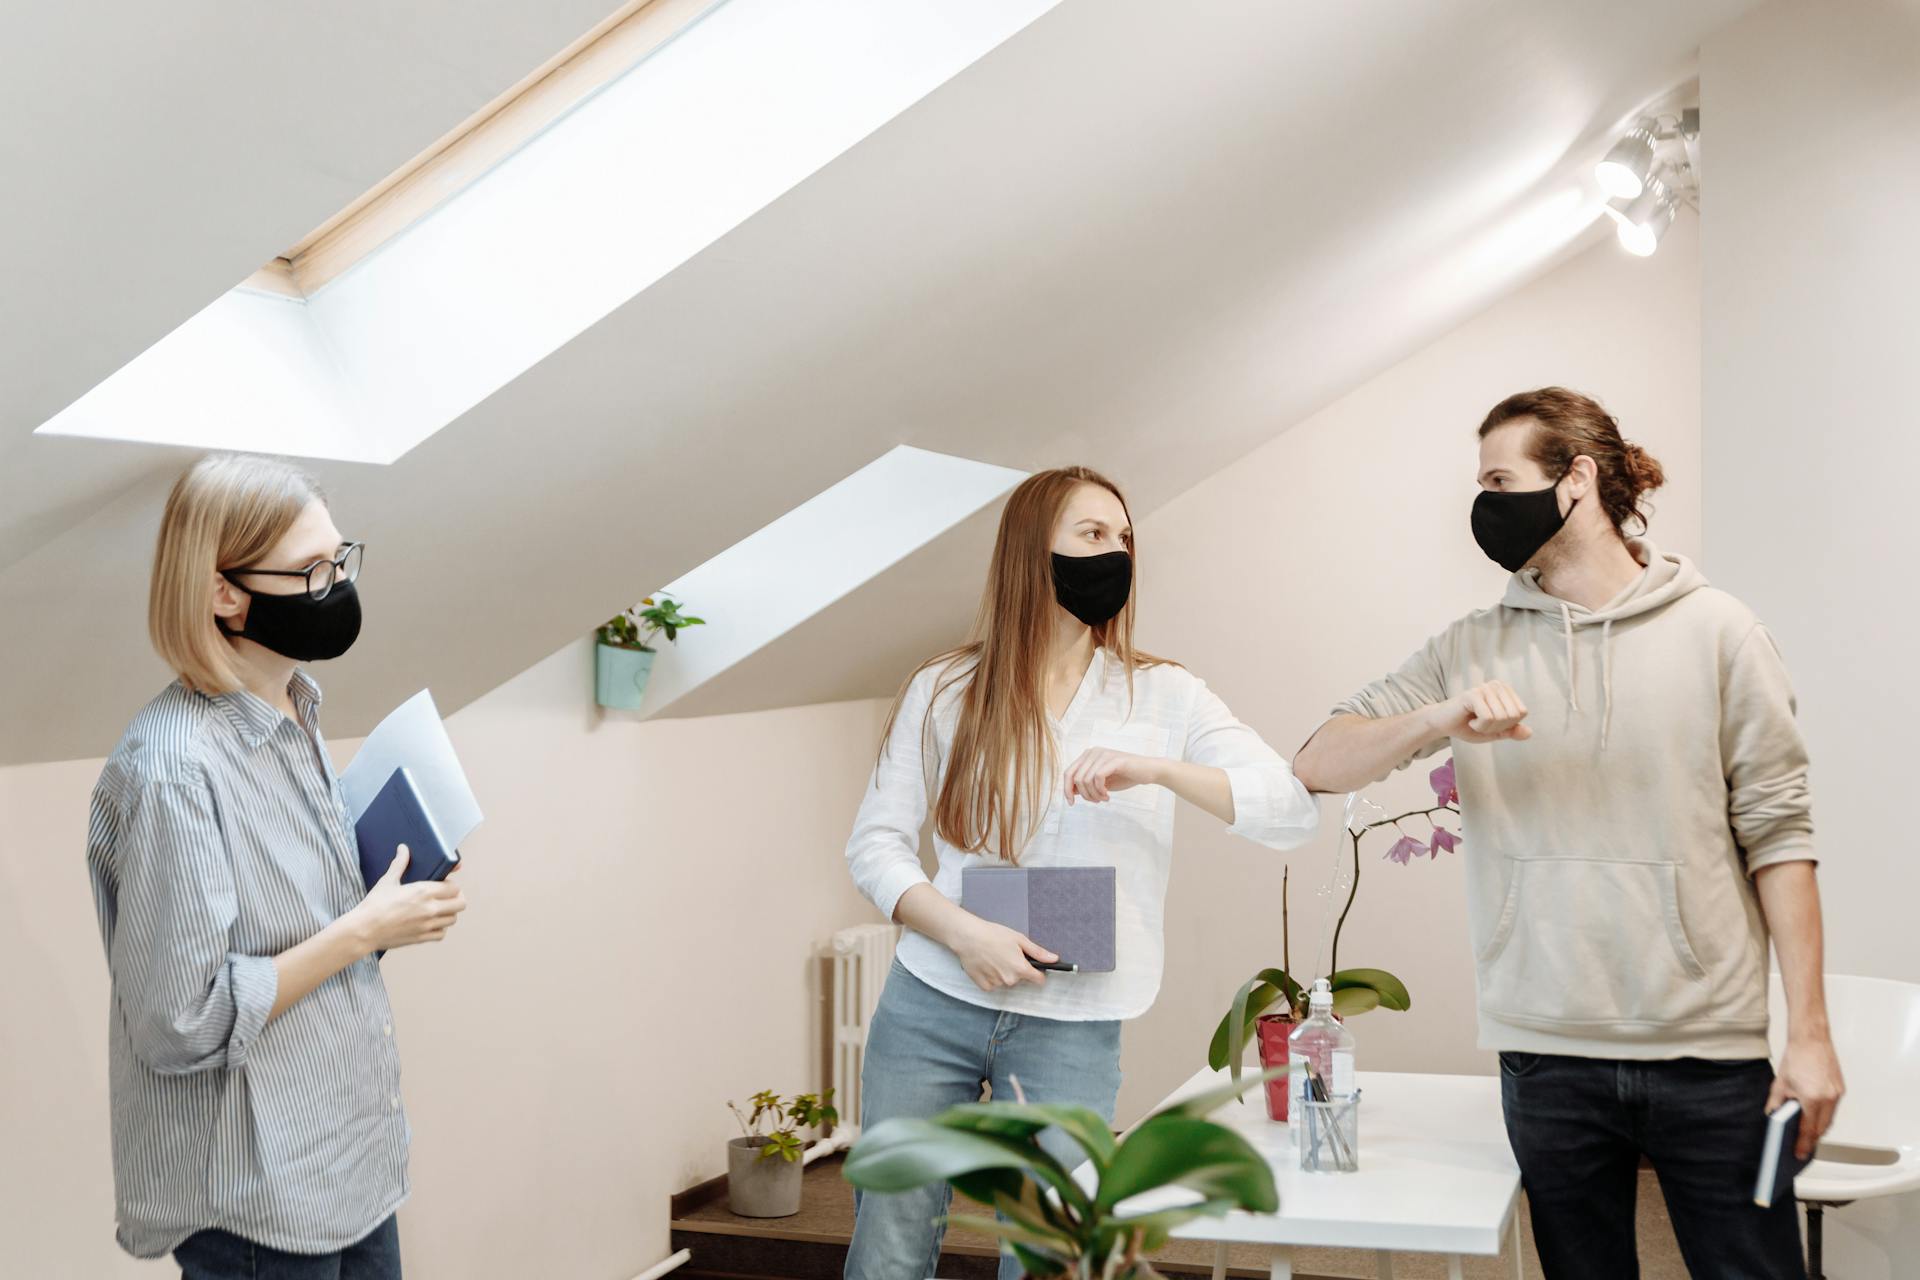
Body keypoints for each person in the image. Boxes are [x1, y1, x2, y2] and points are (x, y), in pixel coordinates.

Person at [1294, 388, 1841, 1279]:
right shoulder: (1468, 646)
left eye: (1500, 479)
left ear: (1577, 479)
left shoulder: (1722, 633)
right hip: (1546, 1054)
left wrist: (1810, 1035)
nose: (1483, 503)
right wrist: (1440, 716)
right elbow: (1318, 761)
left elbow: (1781, 839)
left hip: (1707, 1050)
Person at [843, 465, 1319, 1280]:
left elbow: (1288, 809)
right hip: (930, 1002)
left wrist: (1158, 770)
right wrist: (966, 934)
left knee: (1053, 1255)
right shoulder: (946, 688)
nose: (1116, 554)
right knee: (890, 1235)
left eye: (1124, 538)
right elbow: (874, 847)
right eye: (1092, 536)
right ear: (1034, 554)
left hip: (1074, 1023)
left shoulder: (1164, 695)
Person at [87, 454, 468, 1279]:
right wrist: (364, 929)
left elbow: (293, 919)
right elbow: (179, 1021)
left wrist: (383, 904)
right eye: (309, 571)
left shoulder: (292, 706)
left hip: (350, 1161)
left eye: (341, 560)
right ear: (225, 592)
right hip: (254, 1202)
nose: (335, 587)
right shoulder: (172, 771)